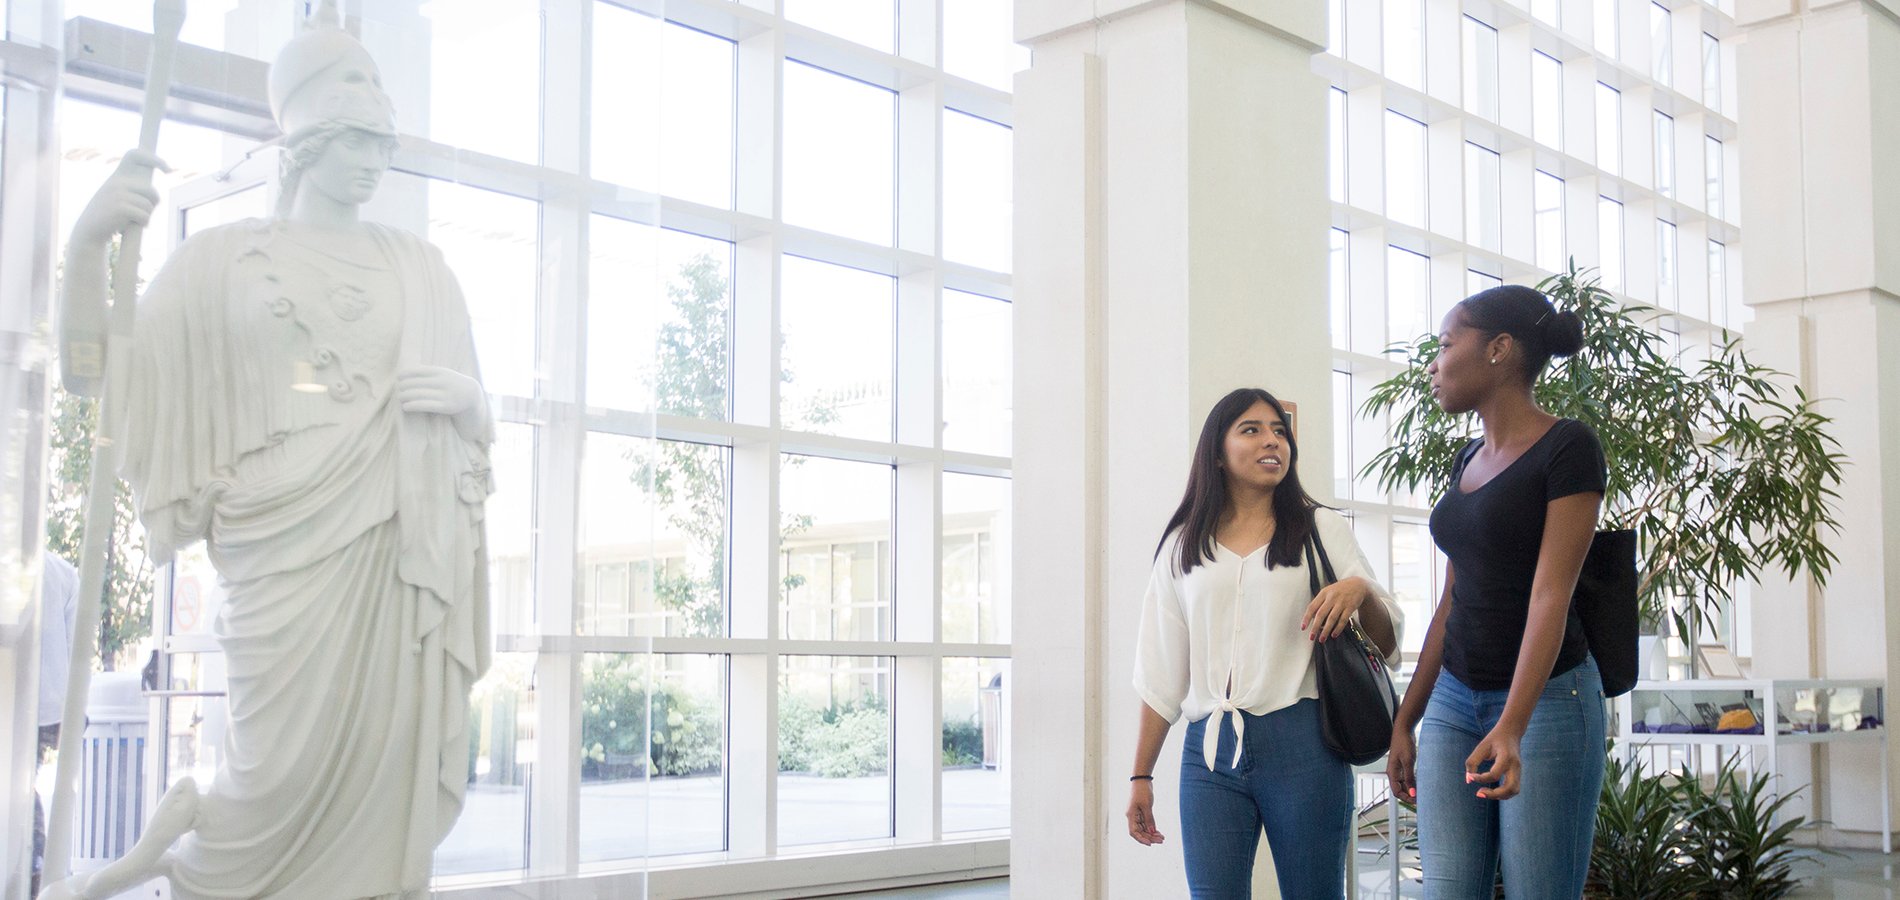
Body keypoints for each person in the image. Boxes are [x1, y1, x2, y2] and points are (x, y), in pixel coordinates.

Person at [41, 6, 492, 899]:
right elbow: (98, 375)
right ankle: (188, 858)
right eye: (355, 138)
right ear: (305, 140)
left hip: (397, 559)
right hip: (276, 556)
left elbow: (476, 429)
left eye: (381, 140)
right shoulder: (220, 264)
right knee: (272, 778)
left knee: (380, 758)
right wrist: (90, 244)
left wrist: (473, 404)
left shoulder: (423, 268)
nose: (372, 158)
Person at [1127, 387, 1403, 899]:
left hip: (1303, 743)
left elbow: (1385, 642)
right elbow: (1159, 670)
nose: (1271, 441)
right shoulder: (1183, 543)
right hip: (1208, 752)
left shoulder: (1320, 527)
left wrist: (1359, 589)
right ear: (1217, 450)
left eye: (1279, 431)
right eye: (1251, 430)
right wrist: (1139, 776)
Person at [1384, 285, 1605, 898]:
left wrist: (1512, 724)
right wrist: (1408, 718)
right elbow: (1453, 598)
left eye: (1447, 344)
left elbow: (1550, 595)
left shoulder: (1569, 448)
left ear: (1499, 351)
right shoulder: (1465, 459)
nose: (1434, 362)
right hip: (1456, 699)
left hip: (1548, 702)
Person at [32, 551, 79, 896]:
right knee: (20, 787)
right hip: (53, 705)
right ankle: (42, 871)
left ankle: (35, 869)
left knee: (17, 790)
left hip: (21, 705)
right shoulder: (63, 572)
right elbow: (74, 647)